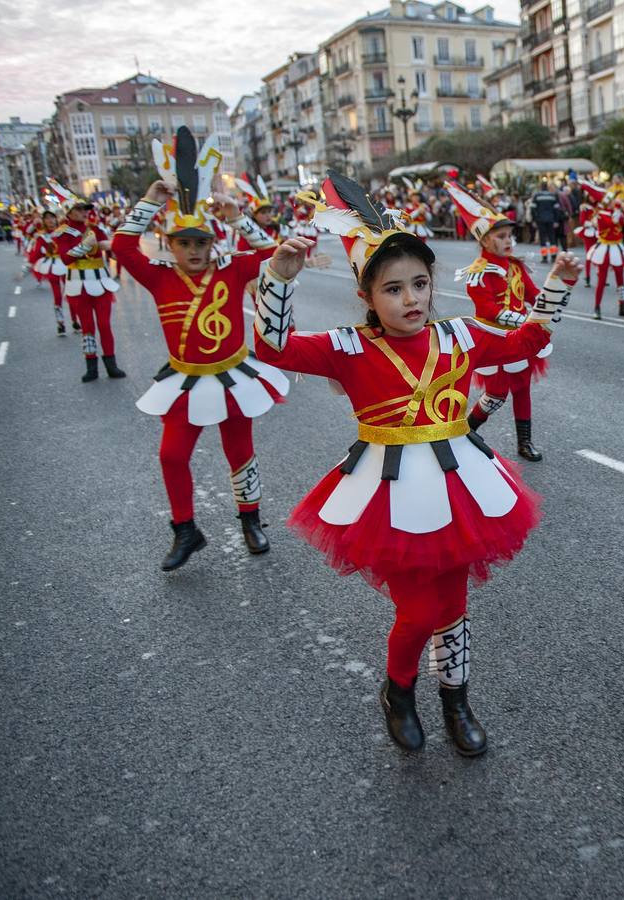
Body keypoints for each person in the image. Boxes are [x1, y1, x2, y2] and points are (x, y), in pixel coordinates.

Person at [253, 170, 577, 758]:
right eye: (394, 289)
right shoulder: (348, 348)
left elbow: (524, 343)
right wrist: (278, 277)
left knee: (453, 603)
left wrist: (556, 285)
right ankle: (398, 691)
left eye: (420, 284)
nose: (411, 299)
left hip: (460, 486)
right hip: (388, 493)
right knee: (419, 607)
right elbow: (274, 349)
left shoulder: (460, 334)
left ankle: (457, 699)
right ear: (367, 297)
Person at [113, 127, 287, 570]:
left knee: (239, 450)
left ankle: (251, 521)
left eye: (200, 242)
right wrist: (150, 201)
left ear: (212, 243)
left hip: (232, 376)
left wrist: (235, 217)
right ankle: (185, 530)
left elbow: (271, 252)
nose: (193, 250)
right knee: (171, 455)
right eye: (184, 243)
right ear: (170, 246)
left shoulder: (230, 270)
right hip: (185, 380)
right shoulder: (160, 277)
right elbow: (121, 246)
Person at [449, 180, 555, 461]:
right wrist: (522, 320)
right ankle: (467, 428)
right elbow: (487, 308)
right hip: (493, 339)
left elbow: (532, 293)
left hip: (519, 337)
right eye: (501, 236)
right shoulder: (479, 272)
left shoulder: (516, 265)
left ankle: (525, 442)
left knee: (522, 389)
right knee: (496, 393)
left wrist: (549, 303)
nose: (508, 241)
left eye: (509, 235)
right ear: (484, 240)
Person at [50, 181, 124, 383]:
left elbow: (110, 250)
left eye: (85, 209)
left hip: (100, 282)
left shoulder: (95, 229)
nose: (84, 212)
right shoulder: (62, 233)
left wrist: (118, 249)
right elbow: (65, 258)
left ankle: (111, 364)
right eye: (80, 209)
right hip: (78, 284)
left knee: (104, 324)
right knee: (88, 326)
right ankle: (91, 366)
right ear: (69, 211)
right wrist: (84, 247)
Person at [580, 179, 624, 319]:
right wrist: (619, 215)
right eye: (611, 200)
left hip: (617, 247)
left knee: (620, 279)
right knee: (602, 280)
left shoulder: (615, 211)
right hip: (604, 248)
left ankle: (622, 305)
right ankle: (597, 307)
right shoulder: (601, 214)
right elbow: (611, 223)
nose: (613, 201)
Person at [25, 208, 77, 335]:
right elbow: (36, 253)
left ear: (56, 218)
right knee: (57, 295)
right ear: (44, 221)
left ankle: (75, 321)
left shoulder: (64, 231)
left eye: (52, 217)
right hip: (52, 266)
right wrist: (27, 266)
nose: (50, 220)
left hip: (66, 263)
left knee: (71, 292)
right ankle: (60, 323)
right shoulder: (41, 236)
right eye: (47, 218)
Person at [529, 178, 561, 263]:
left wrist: (534, 220)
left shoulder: (537, 196)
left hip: (540, 220)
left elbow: (533, 209)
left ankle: (544, 257)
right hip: (551, 220)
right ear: (547, 187)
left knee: (542, 239)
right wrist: (556, 221)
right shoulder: (552, 196)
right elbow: (557, 209)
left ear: (540, 187)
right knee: (552, 238)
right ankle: (554, 256)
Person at [576, 195, 598, 286]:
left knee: (601, 256)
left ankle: (601, 276)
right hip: (589, 234)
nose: (593, 197)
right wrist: (593, 223)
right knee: (589, 256)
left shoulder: (600, 206)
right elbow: (582, 221)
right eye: (590, 196)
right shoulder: (585, 207)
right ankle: (588, 277)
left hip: (599, 234)